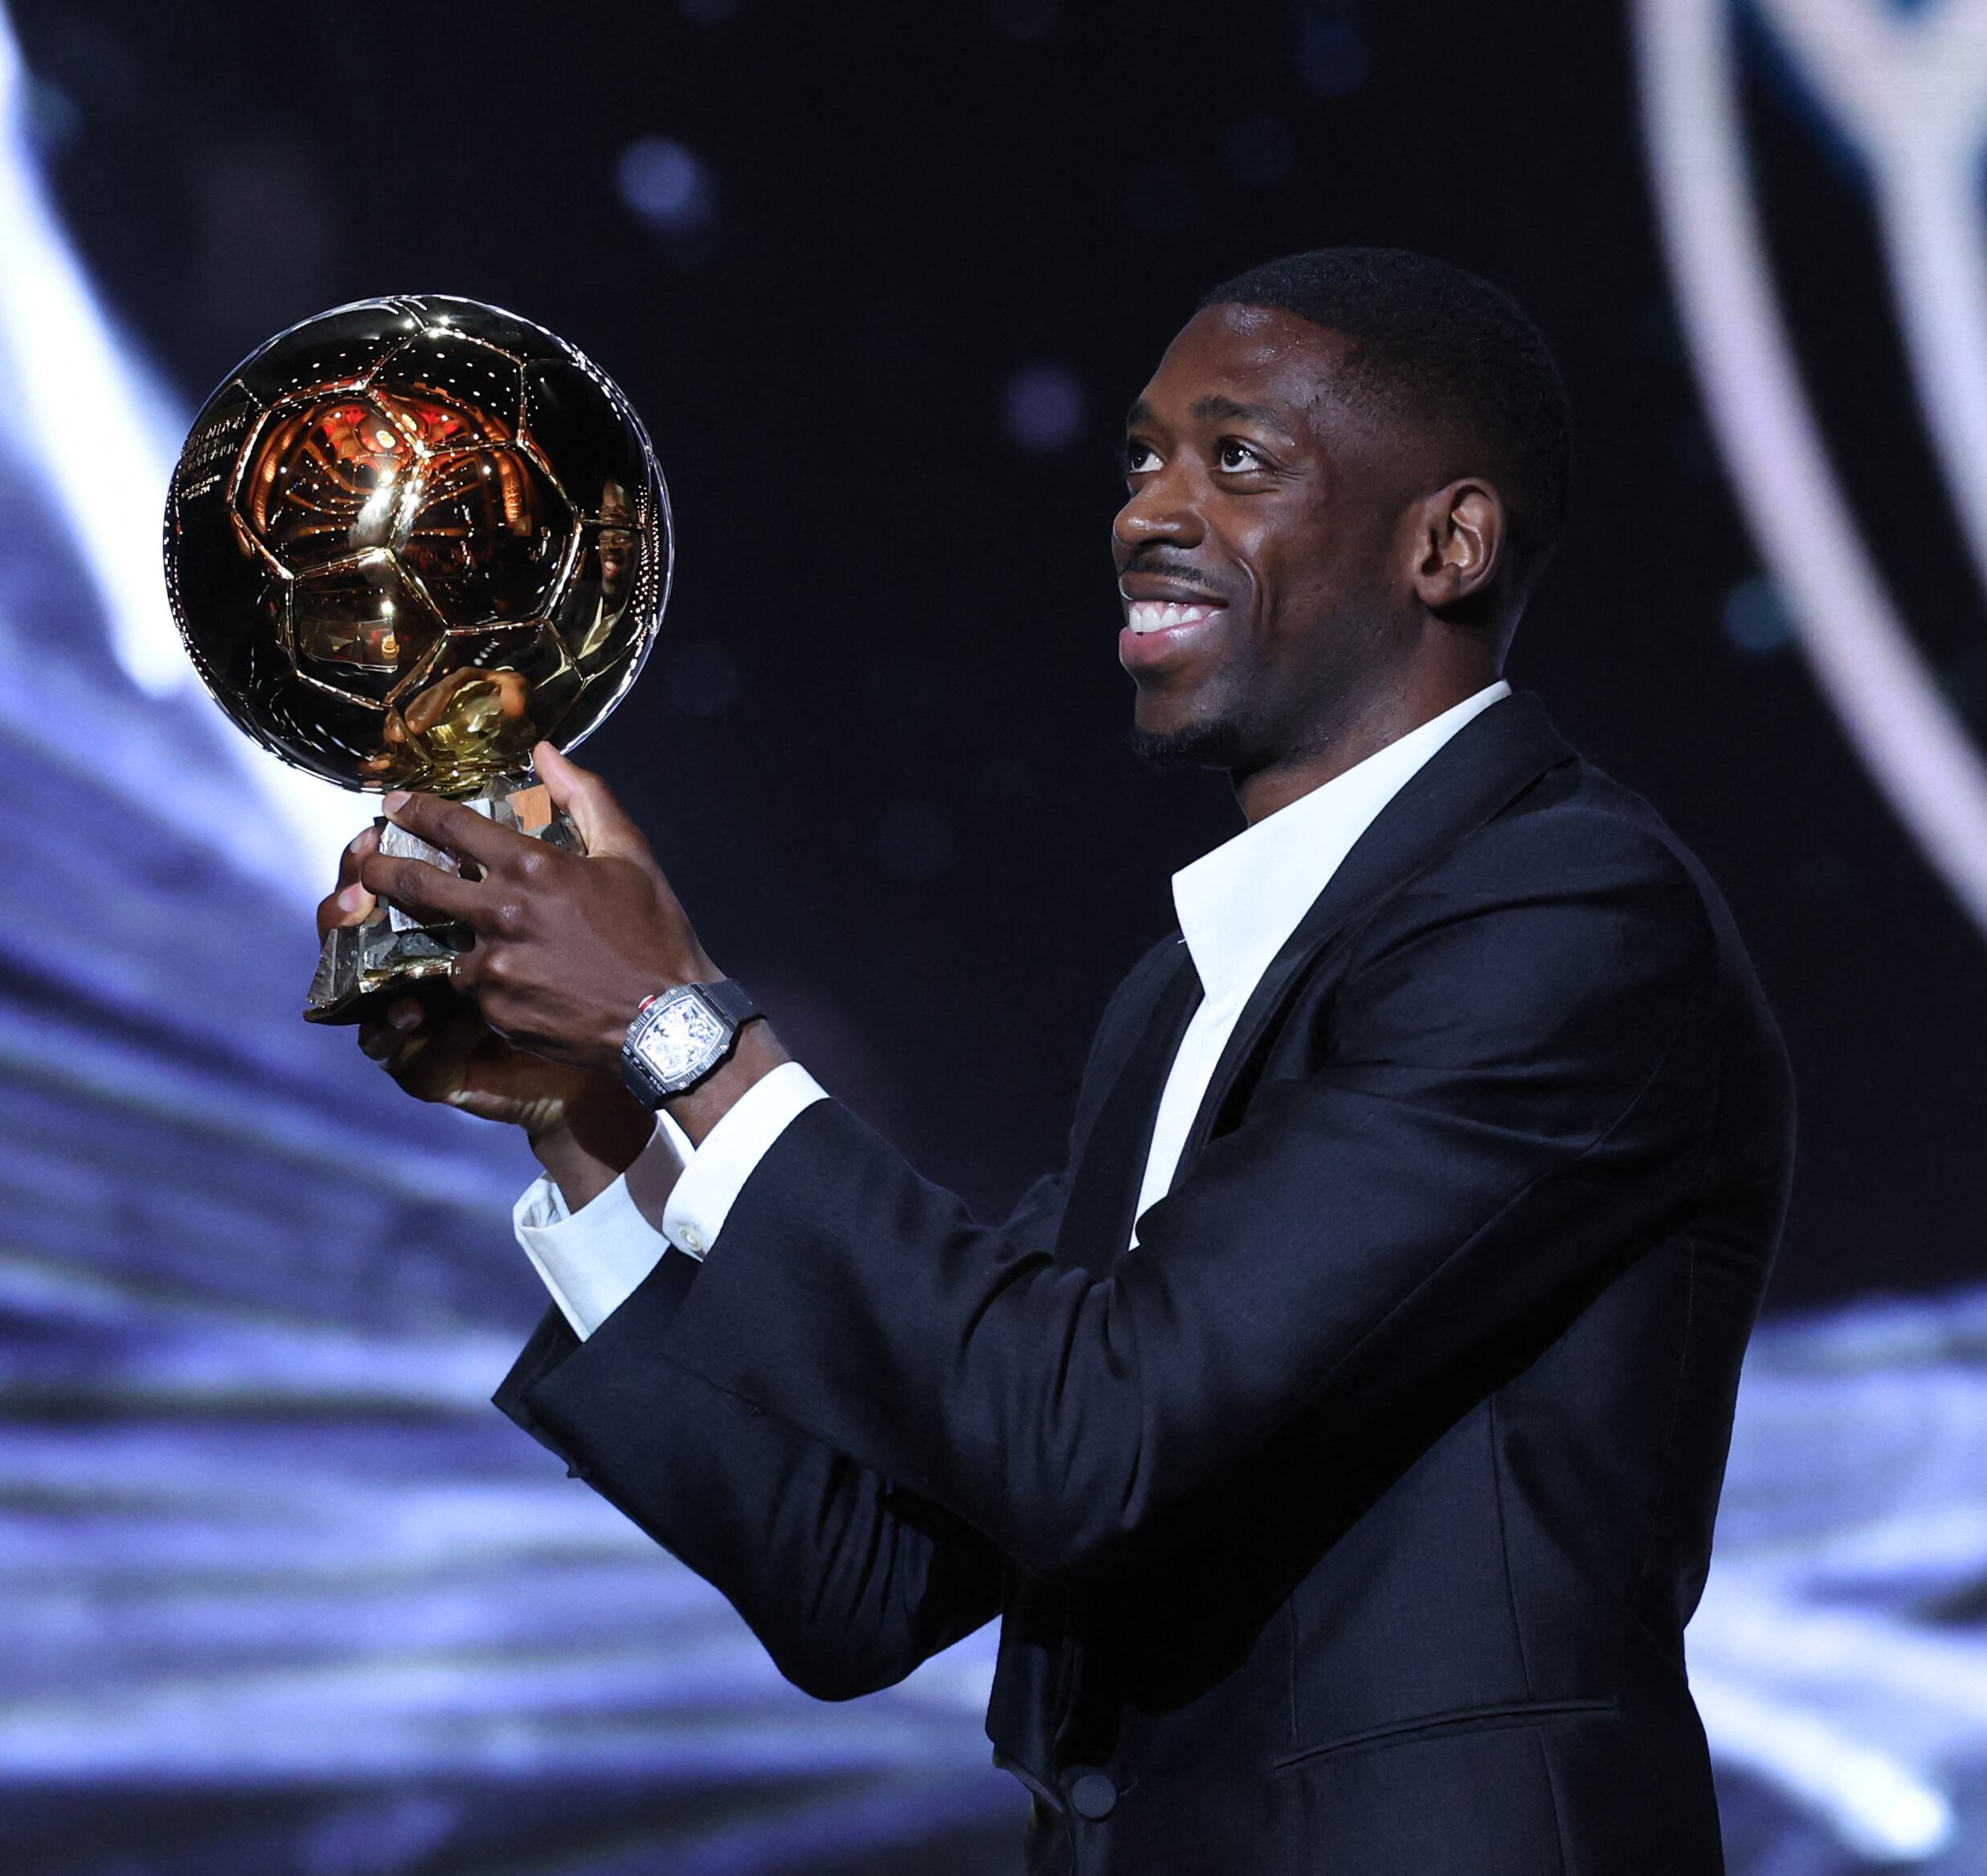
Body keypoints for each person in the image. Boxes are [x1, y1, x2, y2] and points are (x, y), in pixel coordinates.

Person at [325, 248, 1793, 1874]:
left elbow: (1090, 1431)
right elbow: (856, 1578)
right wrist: (589, 1120)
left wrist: (679, 1025)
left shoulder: (1565, 916)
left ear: (1445, 541)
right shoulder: (1184, 992)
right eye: (1141, 458)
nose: (1147, 512)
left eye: (1235, 459)